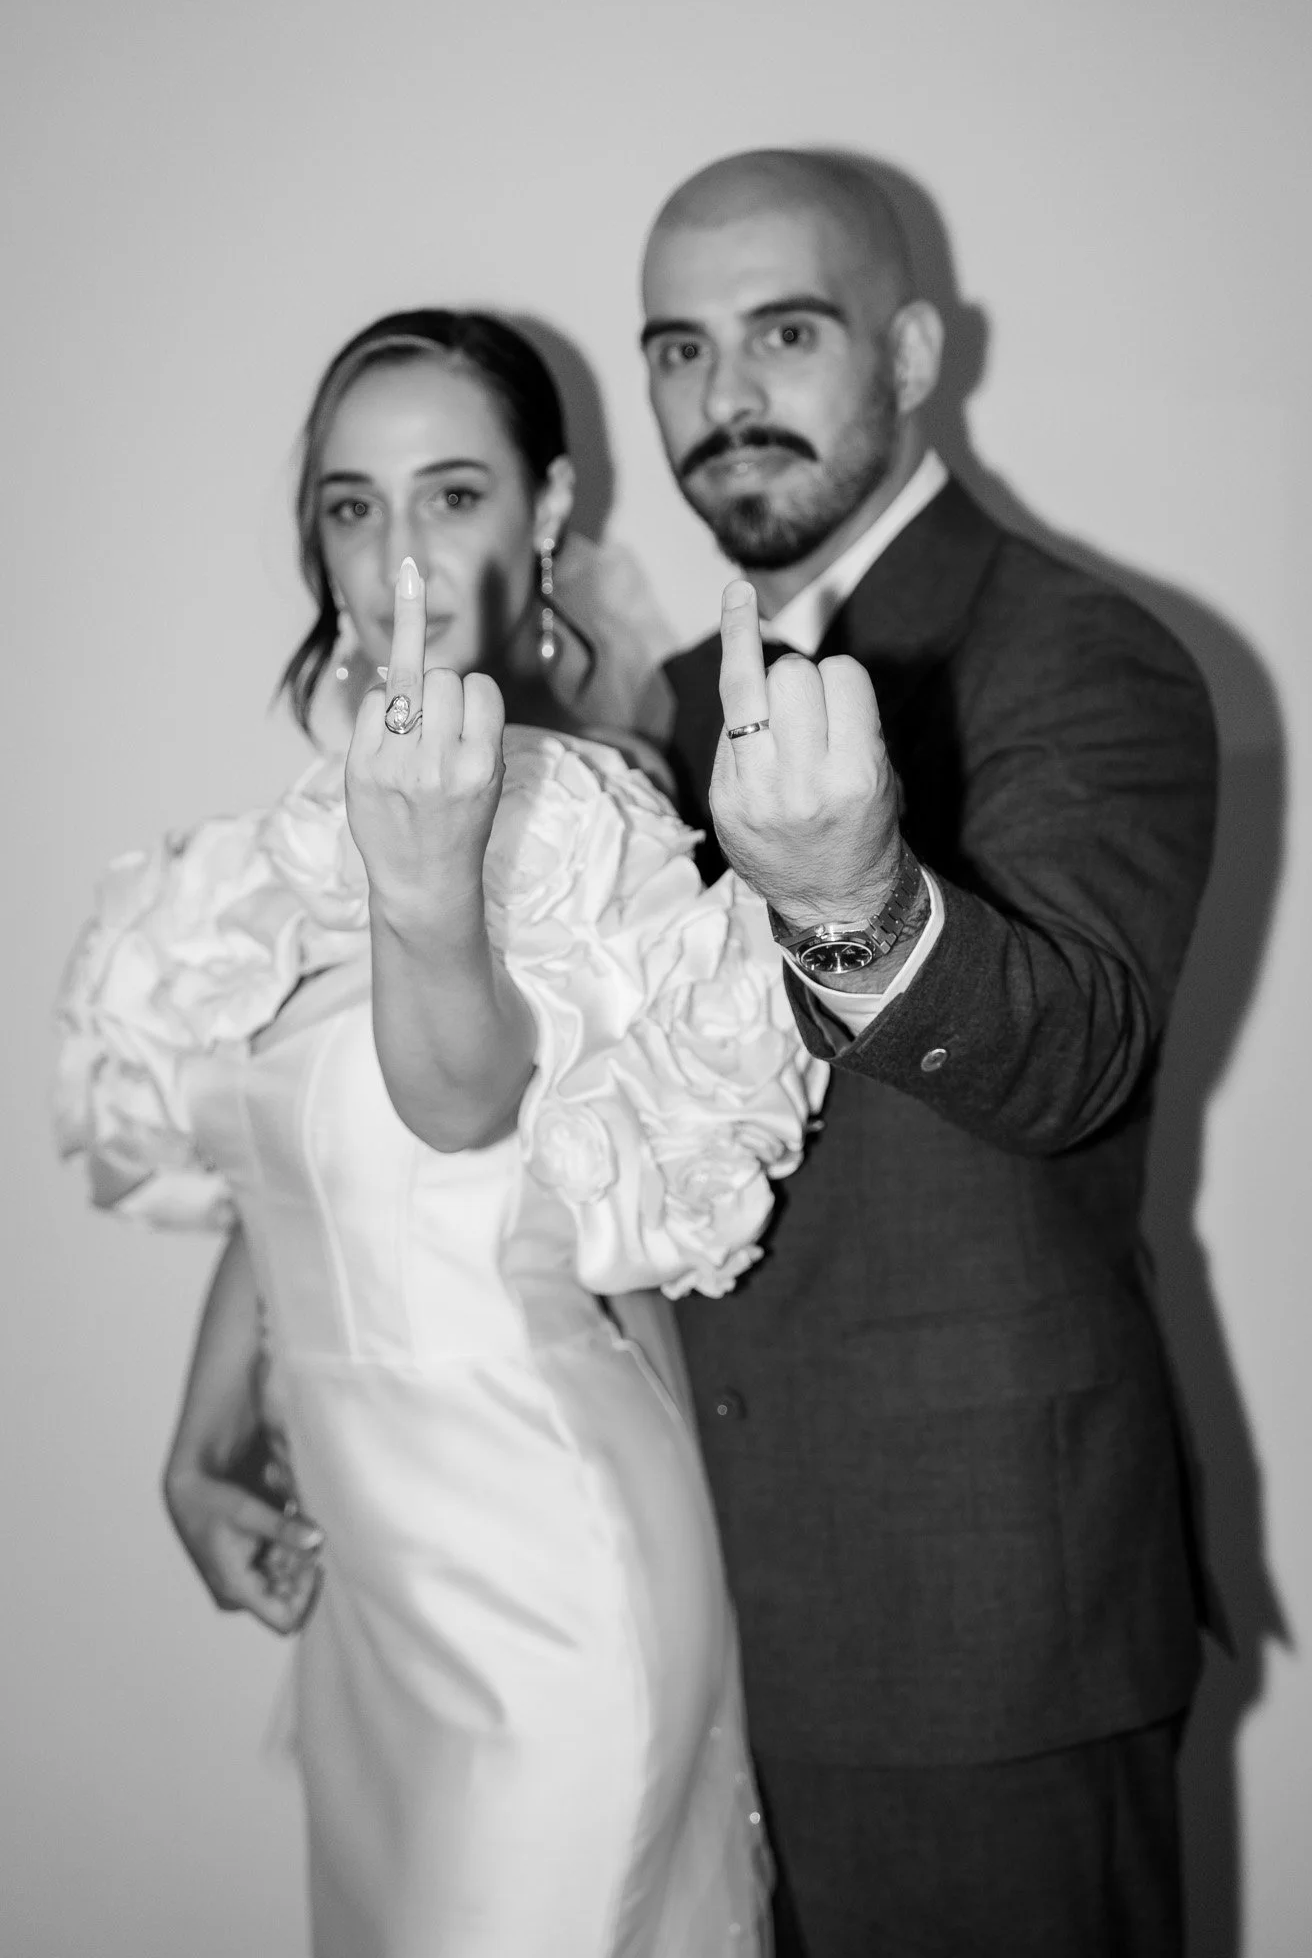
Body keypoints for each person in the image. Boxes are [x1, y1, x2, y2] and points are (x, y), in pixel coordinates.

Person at [55, 308, 828, 1958]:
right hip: (377, 1611)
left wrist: (426, 893)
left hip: (544, 1577)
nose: (397, 552)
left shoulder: (587, 816)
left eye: (452, 493)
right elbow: (289, 1162)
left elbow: (462, 1109)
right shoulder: (309, 838)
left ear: (548, 513)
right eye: (351, 505)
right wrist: (201, 1451)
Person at [642, 150, 1219, 1957]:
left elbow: (1079, 1051)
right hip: (690, 1624)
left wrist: (860, 900)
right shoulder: (659, 710)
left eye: (782, 332)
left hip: (984, 1630)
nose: (723, 397)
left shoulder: (1078, 649)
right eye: (676, 348)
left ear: (907, 348)